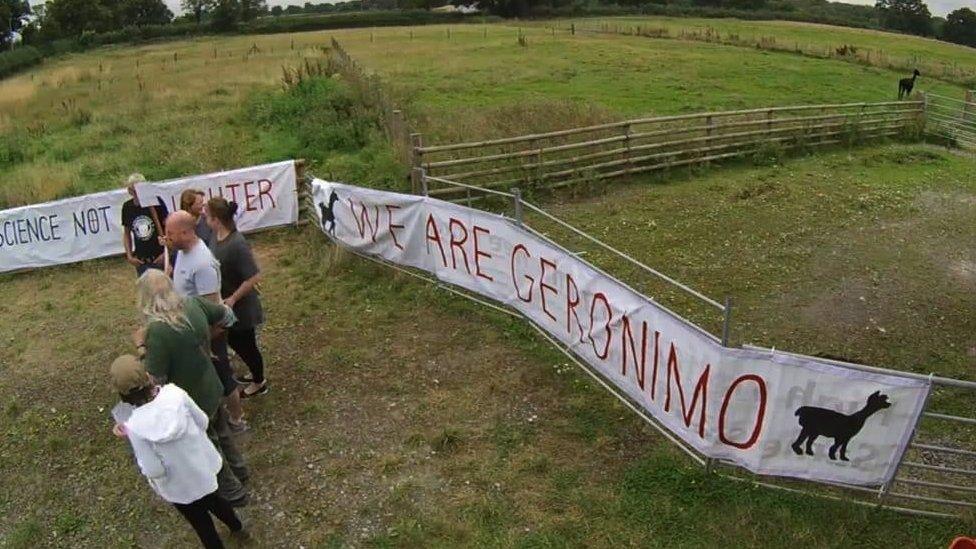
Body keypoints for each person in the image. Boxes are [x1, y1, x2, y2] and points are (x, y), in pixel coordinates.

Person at [132, 269, 250, 507]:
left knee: (211, 449)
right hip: (212, 386)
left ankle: (235, 494)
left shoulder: (157, 332)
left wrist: (141, 347)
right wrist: (209, 337)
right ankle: (242, 472)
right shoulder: (194, 304)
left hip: (192, 403)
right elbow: (228, 316)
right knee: (225, 435)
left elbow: (155, 379)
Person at [109, 354, 245, 548]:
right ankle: (237, 526)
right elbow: (204, 422)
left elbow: (154, 469)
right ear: (148, 377)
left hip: (179, 487)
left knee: (202, 525)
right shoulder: (175, 394)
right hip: (202, 467)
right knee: (217, 501)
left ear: (122, 395)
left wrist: (129, 433)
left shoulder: (135, 427)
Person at [165, 211, 246, 430]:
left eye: (170, 233)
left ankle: (236, 418)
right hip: (192, 326)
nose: (166, 238)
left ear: (185, 232)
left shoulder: (202, 264)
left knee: (222, 374)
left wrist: (207, 336)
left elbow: (211, 308)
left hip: (209, 331)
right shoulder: (183, 251)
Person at [206, 198, 268, 397]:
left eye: (207, 217)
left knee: (246, 345)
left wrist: (232, 298)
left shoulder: (237, 243)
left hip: (241, 306)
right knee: (235, 341)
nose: (205, 219)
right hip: (226, 304)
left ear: (216, 219)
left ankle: (259, 382)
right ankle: (254, 372)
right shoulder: (216, 237)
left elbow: (254, 276)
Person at [121, 173, 168, 276]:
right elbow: (127, 233)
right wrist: (129, 256)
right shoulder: (127, 207)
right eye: (134, 190)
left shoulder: (156, 202)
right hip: (142, 260)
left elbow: (167, 227)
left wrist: (166, 253)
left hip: (159, 256)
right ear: (130, 191)